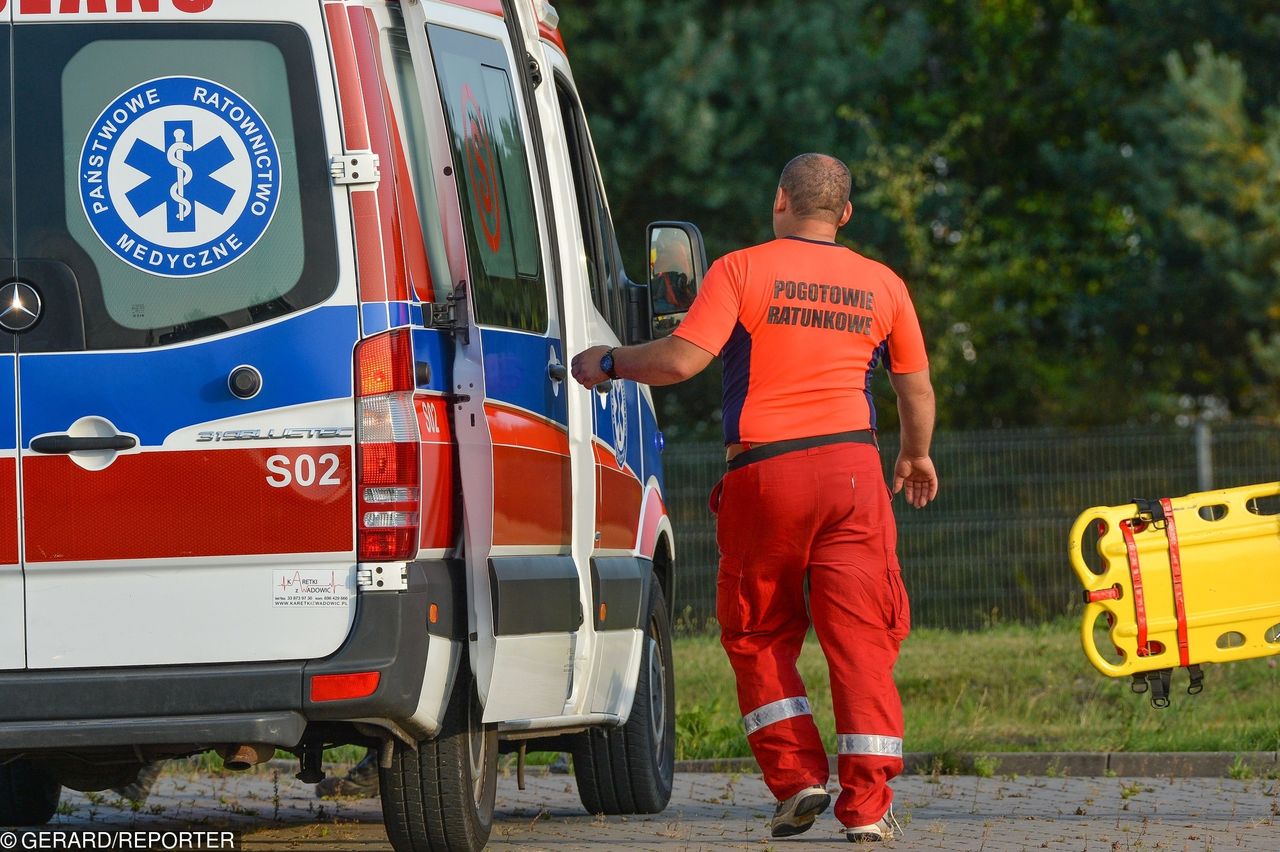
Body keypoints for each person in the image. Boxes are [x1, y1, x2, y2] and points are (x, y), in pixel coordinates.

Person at [571, 152, 937, 843]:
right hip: (856, 474)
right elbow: (915, 389)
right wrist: (914, 455)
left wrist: (609, 362)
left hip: (766, 474)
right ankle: (867, 810)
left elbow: (682, 360)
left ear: (780, 202)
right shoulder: (883, 284)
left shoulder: (741, 270)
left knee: (759, 630)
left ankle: (798, 778)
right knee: (862, 639)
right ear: (845, 214)